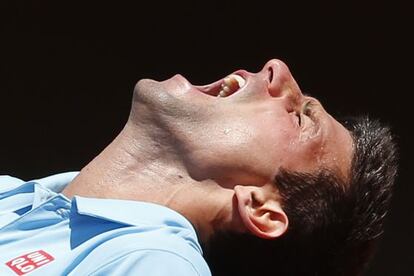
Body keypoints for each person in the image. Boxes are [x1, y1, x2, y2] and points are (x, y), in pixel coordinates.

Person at [0, 59, 397, 276]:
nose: (276, 68)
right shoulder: (10, 196)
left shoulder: (155, 264)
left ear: (260, 207)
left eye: (300, 118)